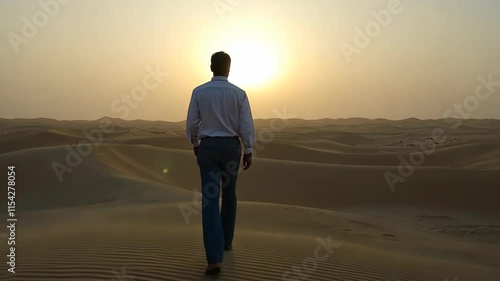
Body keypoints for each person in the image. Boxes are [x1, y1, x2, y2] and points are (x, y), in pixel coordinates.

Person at [186, 51, 255, 275]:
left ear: (211, 67)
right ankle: (226, 242)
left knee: (209, 199)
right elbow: (246, 124)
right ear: (229, 68)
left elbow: (191, 123)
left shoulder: (199, 91)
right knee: (230, 195)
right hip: (231, 148)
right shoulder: (239, 93)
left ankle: (214, 258)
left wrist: (195, 143)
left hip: (208, 147)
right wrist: (249, 149)